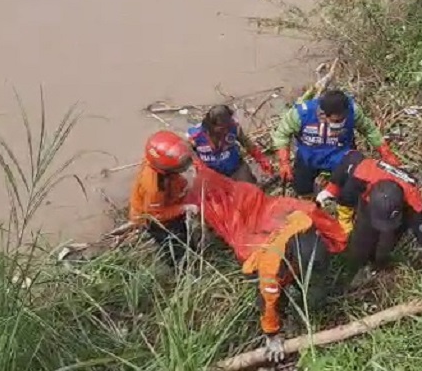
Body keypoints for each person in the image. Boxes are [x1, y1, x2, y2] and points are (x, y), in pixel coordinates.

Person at [185, 162, 348, 363]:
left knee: (315, 289)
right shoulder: (270, 267)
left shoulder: (302, 219)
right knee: (274, 297)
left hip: (304, 255)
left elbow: (326, 226)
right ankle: (295, 314)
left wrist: (339, 245)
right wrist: (272, 335)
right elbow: (268, 301)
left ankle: (310, 308)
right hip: (270, 256)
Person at [314, 150, 422, 299]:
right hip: (369, 206)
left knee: (385, 246)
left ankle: (379, 265)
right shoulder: (364, 172)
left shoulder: (414, 203)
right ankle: (354, 269)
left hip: (398, 212)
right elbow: (349, 159)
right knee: (359, 244)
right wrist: (331, 189)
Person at [271, 89, 401, 201]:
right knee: (301, 187)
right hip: (309, 156)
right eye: (336, 120)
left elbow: (369, 130)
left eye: (343, 118)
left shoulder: (353, 111)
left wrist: (385, 152)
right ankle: (311, 203)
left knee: (350, 190)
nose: (340, 123)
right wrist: (284, 162)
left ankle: (341, 205)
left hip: (341, 156)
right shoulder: (300, 114)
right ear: (323, 114)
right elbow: (282, 134)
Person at [128, 130, 200, 267]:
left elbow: (186, 148)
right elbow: (156, 215)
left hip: (169, 200)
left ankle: (191, 255)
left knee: (185, 235)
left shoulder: (158, 162)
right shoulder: (154, 187)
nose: (185, 168)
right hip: (155, 218)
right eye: (181, 167)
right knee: (176, 245)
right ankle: (183, 270)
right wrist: (184, 208)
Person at [187, 104, 273, 184]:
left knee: (250, 190)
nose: (225, 131)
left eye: (227, 127)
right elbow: (187, 152)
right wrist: (197, 164)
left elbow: (247, 144)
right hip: (212, 173)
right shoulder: (195, 135)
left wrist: (262, 160)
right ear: (211, 125)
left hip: (236, 168)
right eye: (221, 128)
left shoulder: (234, 127)